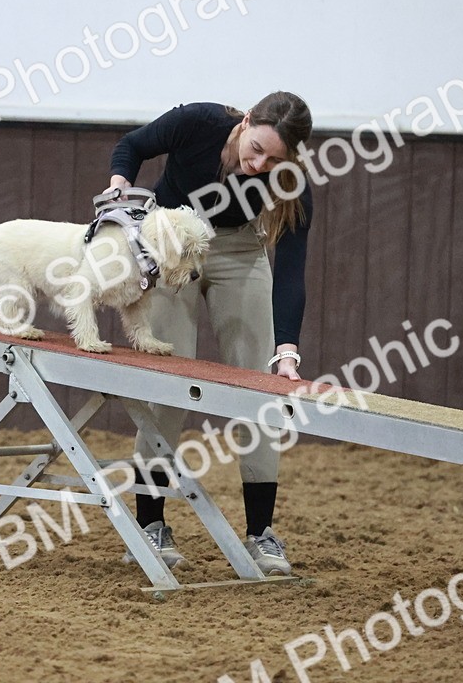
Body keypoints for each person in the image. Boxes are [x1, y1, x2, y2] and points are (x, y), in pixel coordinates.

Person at [104, 91, 313, 575]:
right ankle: (152, 526)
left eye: (274, 159)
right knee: (168, 386)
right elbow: (131, 146)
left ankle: (262, 535)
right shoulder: (198, 122)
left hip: (241, 252)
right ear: (245, 121)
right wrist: (120, 192)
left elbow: (292, 271)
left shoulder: (291, 183)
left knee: (259, 393)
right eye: (256, 148)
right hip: (172, 242)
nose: (258, 164)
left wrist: (286, 353)